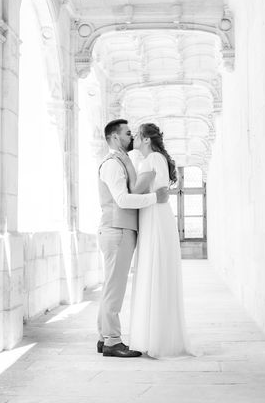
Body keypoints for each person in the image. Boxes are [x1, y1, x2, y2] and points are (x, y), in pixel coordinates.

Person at [96, 119, 170, 358]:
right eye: (128, 133)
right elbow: (122, 199)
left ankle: (104, 337)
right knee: (114, 289)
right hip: (117, 231)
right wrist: (155, 199)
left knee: (111, 286)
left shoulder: (121, 161)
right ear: (116, 138)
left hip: (121, 230)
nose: (131, 137)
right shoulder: (112, 164)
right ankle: (112, 341)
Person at [128, 122, 193, 358]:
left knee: (153, 270)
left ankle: (154, 338)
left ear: (146, 139)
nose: (133, 139)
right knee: (154, 271)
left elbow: (135, 191)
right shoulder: (156, 159)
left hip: (154, 216)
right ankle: (156, 335)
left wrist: (130, 164)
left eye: (136, 136)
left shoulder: (152, 159)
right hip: (156, 214)